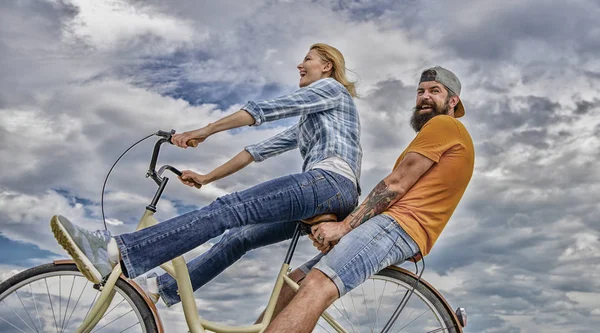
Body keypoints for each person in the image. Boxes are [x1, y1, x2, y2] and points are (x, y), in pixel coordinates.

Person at [50, 43, 362, 307]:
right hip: (330, 194)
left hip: (330, 184)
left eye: (307, 59)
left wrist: (207, 130)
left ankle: (114, 250)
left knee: (229, 209)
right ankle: (159, 289)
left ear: (326, 66)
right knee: (238, 237)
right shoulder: (315, 117)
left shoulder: (331, 89)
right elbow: (257, 150)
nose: (299, 64)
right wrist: (206, 177)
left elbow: (270, 109)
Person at [264, 66, 475, 333]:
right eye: (420, 91)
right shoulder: (441, 133)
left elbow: (396, 185)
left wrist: (344, 227)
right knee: (293, 283)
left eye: (435, 91)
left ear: (452, 101)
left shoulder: (444, 124)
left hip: (399, 226)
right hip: (390, 226)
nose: (424, 96)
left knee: (317, 285)